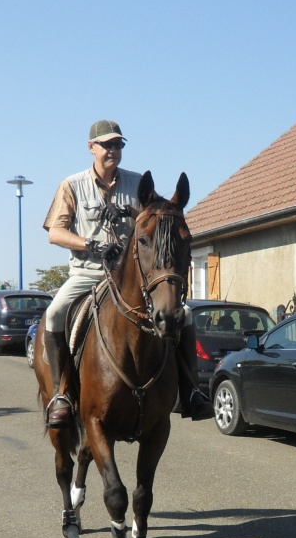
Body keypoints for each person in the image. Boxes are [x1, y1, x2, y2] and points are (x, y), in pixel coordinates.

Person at [40, 119, 213, 428]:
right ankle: (61, 394)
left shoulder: (138, 183)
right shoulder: (72, 184)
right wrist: (91, 244)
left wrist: (131, 214)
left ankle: (191, 391)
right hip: (87, 273)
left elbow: (156, 218)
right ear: (91, 147)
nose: (113, 150)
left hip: (130, 278)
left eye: (118, 145)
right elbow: (55, 232)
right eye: (107, 145)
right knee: (54, 314)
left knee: (183, 314)